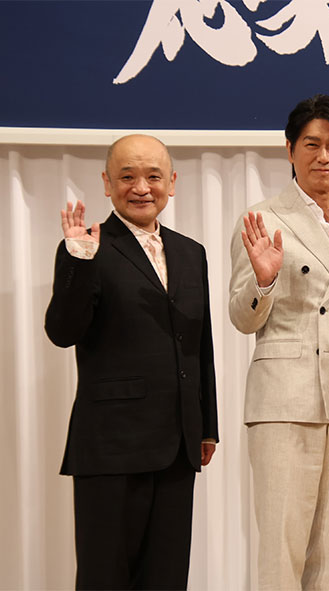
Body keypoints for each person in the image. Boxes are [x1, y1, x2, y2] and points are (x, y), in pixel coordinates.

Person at [228, 94, 329, 590]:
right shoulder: (263, 218)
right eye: (312, 144)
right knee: (282, 548)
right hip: (286, 400)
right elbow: (241, 319)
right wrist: (264, 281)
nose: (324, 156)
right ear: (290, 149)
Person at [44, 134, 219, 590]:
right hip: (111, 446)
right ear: (107, 183)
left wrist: (206, 425)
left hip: (178, 444)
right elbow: (62, 333)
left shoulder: (191, 252)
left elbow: (200, 343)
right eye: (127, 176)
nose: (141, 187)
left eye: (153, 176)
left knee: (166, 577)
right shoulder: (87, 247)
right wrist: (77, 262)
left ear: (172, 183)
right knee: (105, 577)